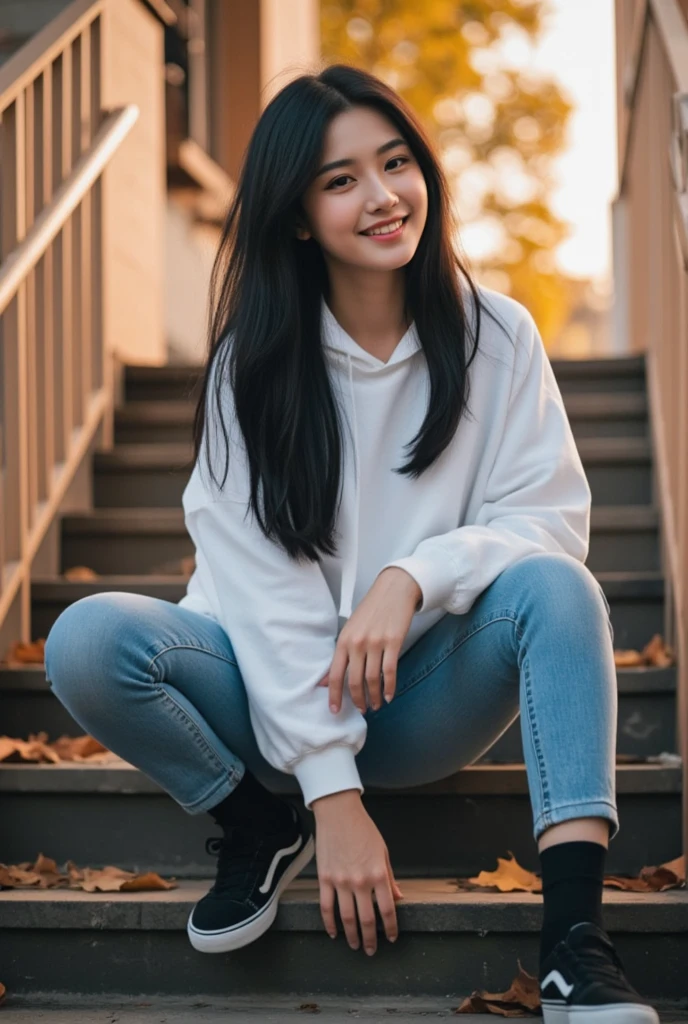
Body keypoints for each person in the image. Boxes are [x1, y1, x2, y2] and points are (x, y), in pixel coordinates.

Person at [44, 63, 659, 1022]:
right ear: (296, 214)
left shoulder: (497, 335)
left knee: (560, 588)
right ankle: (258, 821)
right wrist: (332, 799)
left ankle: (575, 946)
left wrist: (413, 577)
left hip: (419, 701)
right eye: (341, 181)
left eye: (396, 163)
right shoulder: (250, 370)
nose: (382, 198)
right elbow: (264, 597)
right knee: (86, 638)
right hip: (260, 696)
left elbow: (547, 515)